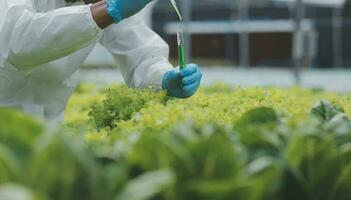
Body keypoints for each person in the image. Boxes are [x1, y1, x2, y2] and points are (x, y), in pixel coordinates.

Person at [0, 0, 202, 122]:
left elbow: (141, 53)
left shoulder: (100, 4)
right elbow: (17, 40)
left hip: (47, 124)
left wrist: (164, 78)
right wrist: (107, 12)